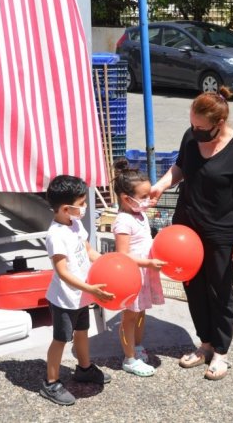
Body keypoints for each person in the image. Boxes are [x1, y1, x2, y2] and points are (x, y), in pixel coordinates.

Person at [150, 86, 233, 381]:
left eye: (200, 127)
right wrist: (161, 185)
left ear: (219, 124)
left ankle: (221, 352)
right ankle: (205, 343)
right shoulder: (191, 137)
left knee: (220, 291)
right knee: (193, 287)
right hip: (187, 228)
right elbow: (180, 168)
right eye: (192, 125)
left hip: (221, 231)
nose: (194, 131)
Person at [41, 175, 115, 405]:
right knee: (61, 339)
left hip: (81, 295)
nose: (85, 207)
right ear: (66, 209)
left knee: (83, 332)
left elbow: (89, 250)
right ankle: (51, 382)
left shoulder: (75, 224)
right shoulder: (56, 235)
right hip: (65, 299)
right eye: (82, 203)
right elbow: (62, 272)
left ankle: (84, 368)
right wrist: (90, 288)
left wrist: (108, 263)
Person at [111, 159, 166, 377]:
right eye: (143, 197)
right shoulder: (123, 221)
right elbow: (123, 255)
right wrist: (149, 262)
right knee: (129, 317)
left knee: (141, 312)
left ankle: (137, 346)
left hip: (144, 273)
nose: (148, 200)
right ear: (127, 198)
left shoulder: (139, 214)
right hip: (133, 275)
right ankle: (129, 358)